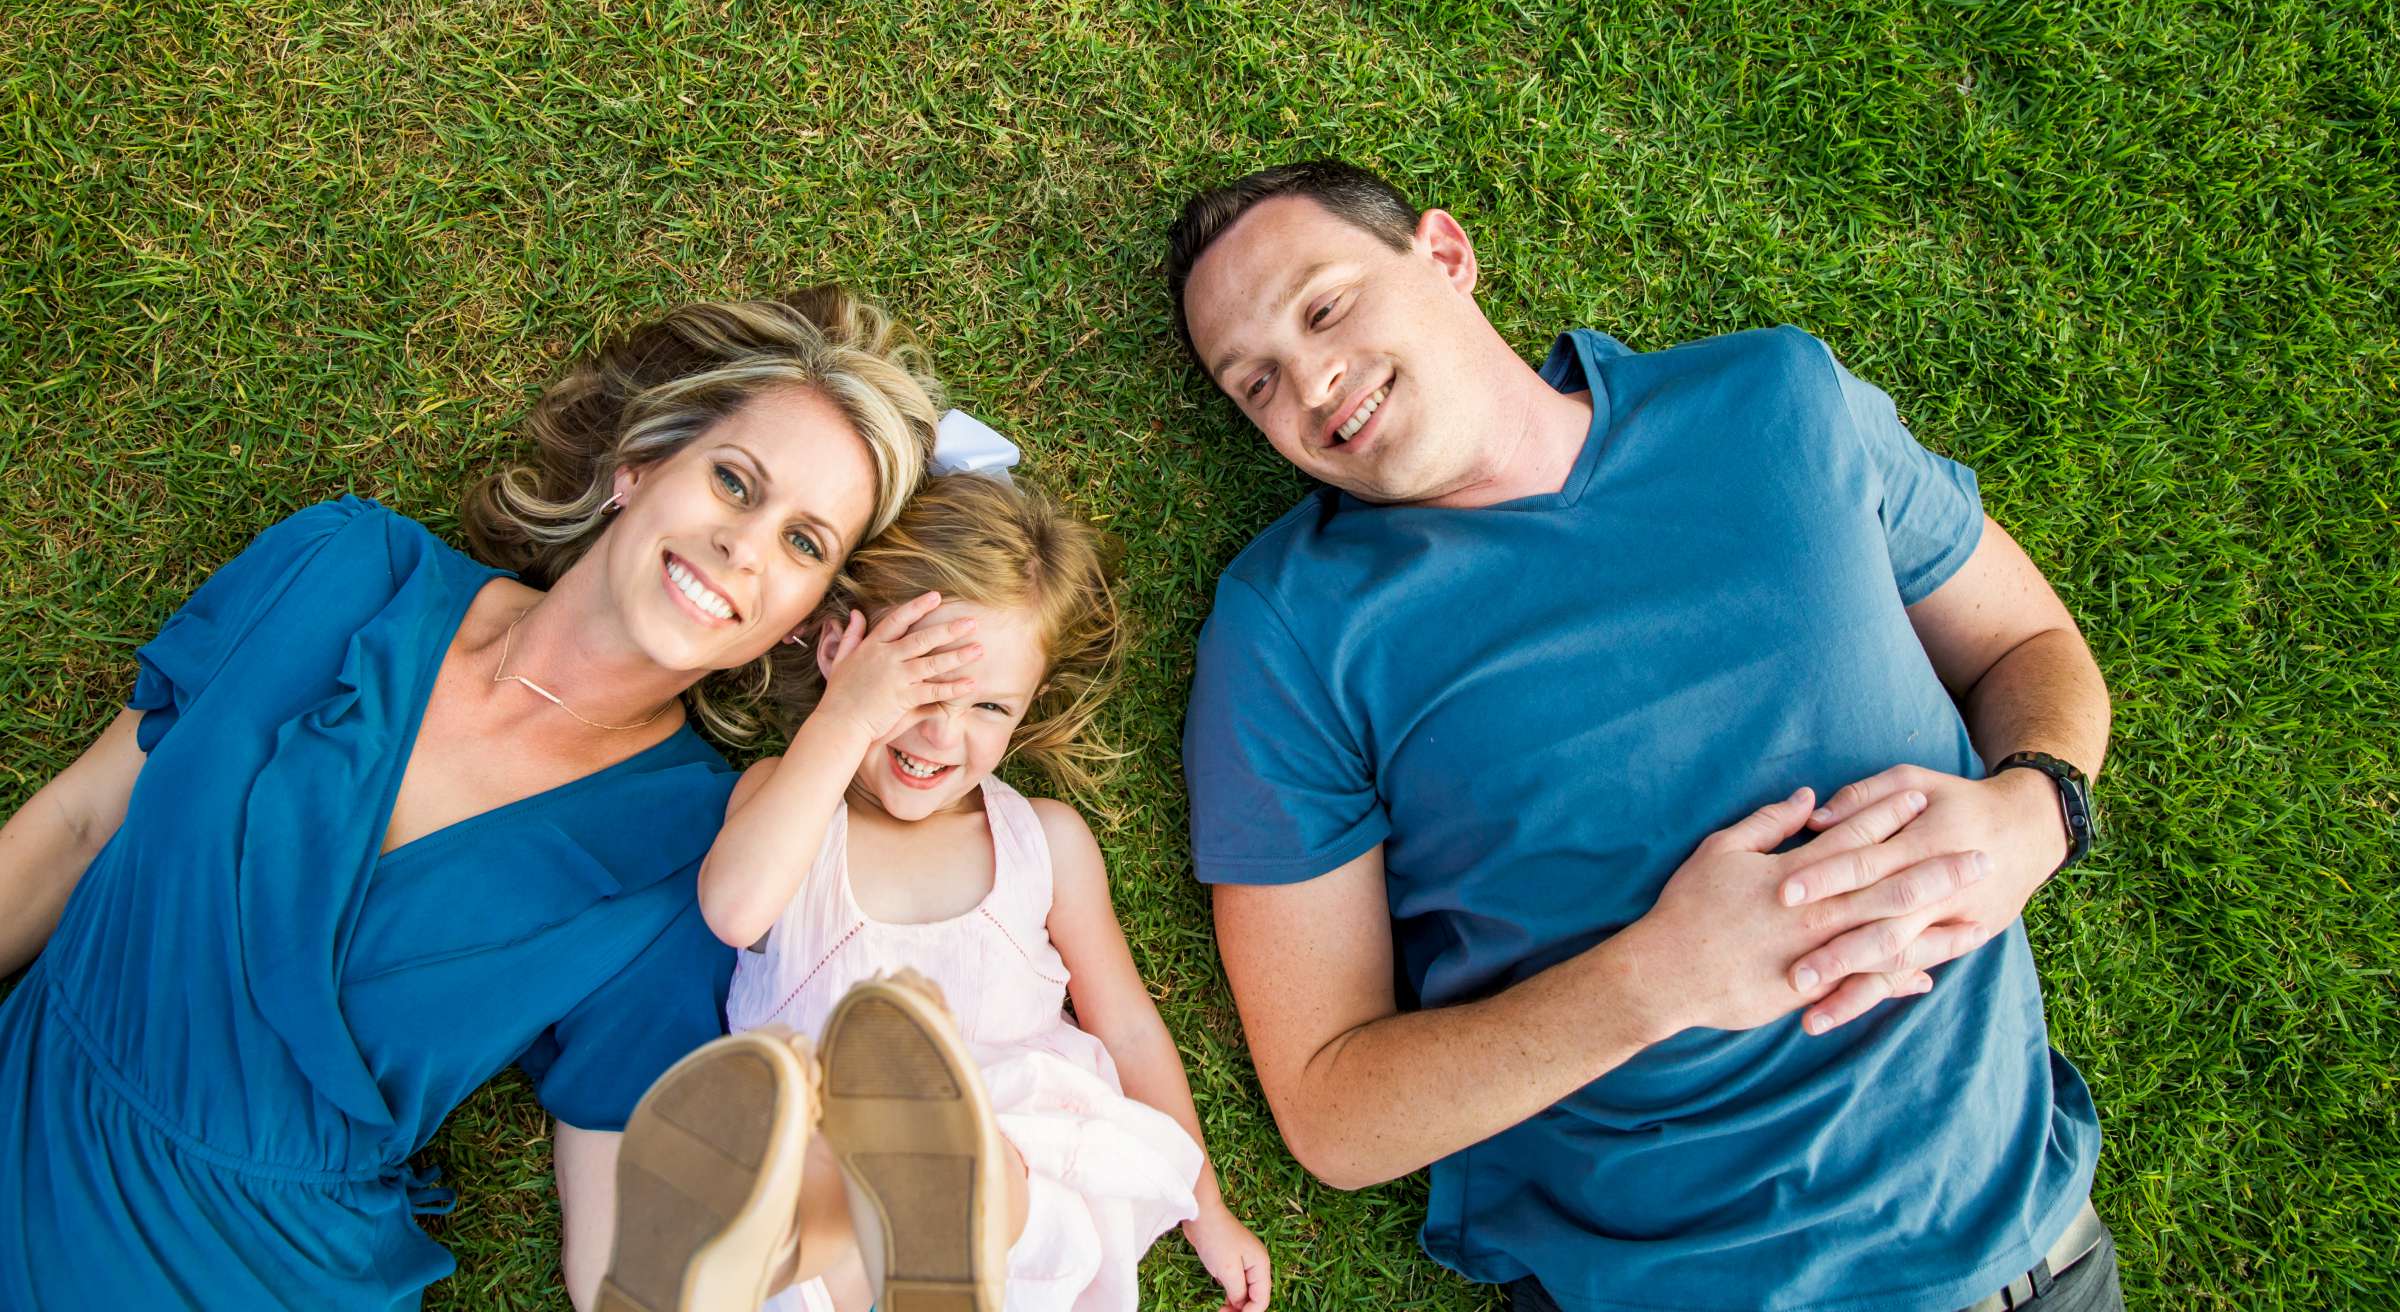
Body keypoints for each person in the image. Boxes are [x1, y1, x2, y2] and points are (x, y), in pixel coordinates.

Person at [1168, 161, 2120, 1312]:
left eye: (1325, 308)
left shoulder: (1777, 399)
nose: (1311, 385)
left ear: (1447, 254)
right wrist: (1660, 978)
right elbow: (1332, 1112)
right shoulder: (1292, 634)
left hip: (2044, 1252)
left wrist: (2040, 808)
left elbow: (2025, 644)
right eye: (1255, 382)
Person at [0, 290, 943, 1311]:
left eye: (806, 545)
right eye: (732, 481)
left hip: (254, 1275)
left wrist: (841, 1222)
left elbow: (620, 1264)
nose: (747, 547)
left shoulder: (685, 865)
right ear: (637, 468)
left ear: (801, 621)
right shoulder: (343, 568)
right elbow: (81, 821)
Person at [592, 470, 1272, 1312]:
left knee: (978, 1161)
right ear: (845, 653)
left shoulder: (1043, 843)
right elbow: (734, 911)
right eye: (921, 688)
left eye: (990, 705)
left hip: (1010, 1188)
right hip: (825, 1183)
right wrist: (841, 723)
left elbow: (1128, 1028)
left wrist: (1206, 1209)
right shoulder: (790, 803)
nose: (943, 733)